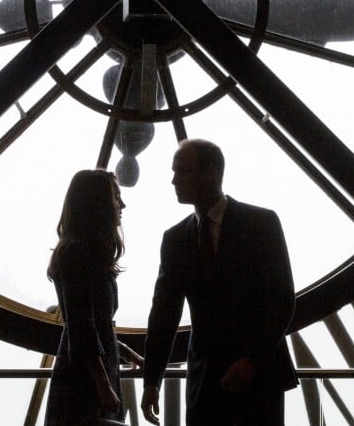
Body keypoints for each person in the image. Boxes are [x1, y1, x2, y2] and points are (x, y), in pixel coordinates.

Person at [141, 139, 298, 425]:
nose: (174, 180)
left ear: (211, 173)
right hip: (260, 378)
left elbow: (165, 313)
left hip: (205, 380)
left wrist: (153, 380)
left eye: (182, 171)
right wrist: (253, 359)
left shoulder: (176, 239)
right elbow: (282, 299)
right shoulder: (261, 223)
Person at [44, 169, 142, 426]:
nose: (122, 204)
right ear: (98, 205)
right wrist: (103, 385)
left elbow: (81, 325)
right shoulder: (85, 254)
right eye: (116, 197)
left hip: (80, 380)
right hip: (89, 383)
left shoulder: (75, 253)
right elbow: (85, 326)